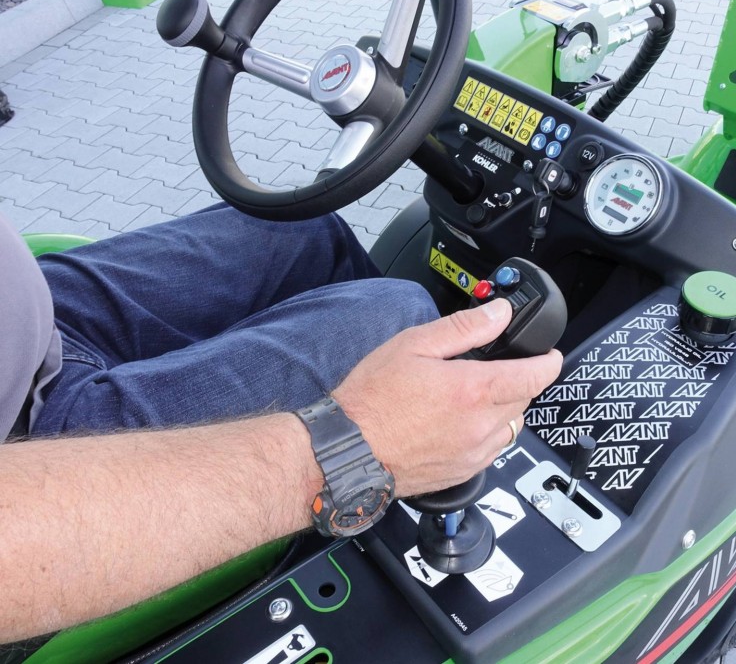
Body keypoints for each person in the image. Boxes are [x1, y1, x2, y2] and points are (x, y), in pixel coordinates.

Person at [0, 205, 563, 645]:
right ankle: (391, 486)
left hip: (39, 325)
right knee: (401, 313)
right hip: (32, 455)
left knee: (306, 230)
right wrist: (353, 451)